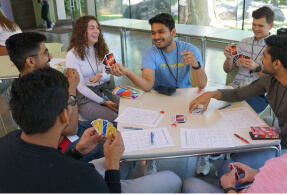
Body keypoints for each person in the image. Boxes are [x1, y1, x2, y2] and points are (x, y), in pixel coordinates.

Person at [0, 67, 182, 193]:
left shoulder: (8, 140)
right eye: (72, 102)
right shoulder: (82, 176)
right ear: (64, 115)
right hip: (98, 187)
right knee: (173, 178)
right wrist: (111, 163)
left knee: (124, 161)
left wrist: (77, 151)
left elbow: (49, 165)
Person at [183, 64, 287, 193]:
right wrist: (257, 174)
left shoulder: (282, 169)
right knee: (228, 167)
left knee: (190, 184)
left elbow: (285, 176)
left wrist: (230, 187)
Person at [109, 13, 208, 176]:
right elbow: (148, 85)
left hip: (184, 95)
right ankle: (151, 158)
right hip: (158, 96)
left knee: (199, 121)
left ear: (173, 33)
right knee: (150, 125)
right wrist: (128, 72)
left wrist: (196, 65)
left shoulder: (190, 50)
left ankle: (202, 155)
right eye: (153, 33)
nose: (156, 37)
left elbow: (202, 84)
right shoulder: (150, 53)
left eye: (161, 32)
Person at [190, 35, 287, 170]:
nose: (261, 60)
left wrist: (250, 138)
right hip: (282, 133)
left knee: (228, 168)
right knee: (238, 135)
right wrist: (212, 94)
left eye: (264, 57)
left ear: (276, 64)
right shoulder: (271, 78)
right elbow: (239, 94)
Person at [5, 32, 104, 163]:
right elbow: (70, 129)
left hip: (71, 131)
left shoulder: (23, 85)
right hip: (66, 146)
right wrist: (71, 89)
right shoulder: (34, 94)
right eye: (45, 52)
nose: (50, 56)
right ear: (30, 61)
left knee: (112, 127)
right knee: (119, 147)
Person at [66, 15, 120, 122]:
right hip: (85, 98)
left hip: (104, 90)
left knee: (126, 110)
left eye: (97, 27)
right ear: (81, 32)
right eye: (91, 28)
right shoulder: (71, 55)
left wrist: (101, 76)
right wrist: (103, 102)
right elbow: (80, 87)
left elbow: (109, 74)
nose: (97, 31)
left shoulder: (104, 48)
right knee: (114, 118)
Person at [223, 6, 274, 113]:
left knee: (237, 115)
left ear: (271, 26)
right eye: (254, 24)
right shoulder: (244, 42)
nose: (255, 28)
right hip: (235, 87)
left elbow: (273, 81)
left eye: (260, 25)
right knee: (217, 109)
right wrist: (228, 59)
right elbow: (227, 70)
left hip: (256, 93)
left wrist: (257, 68)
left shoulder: (275, 47)